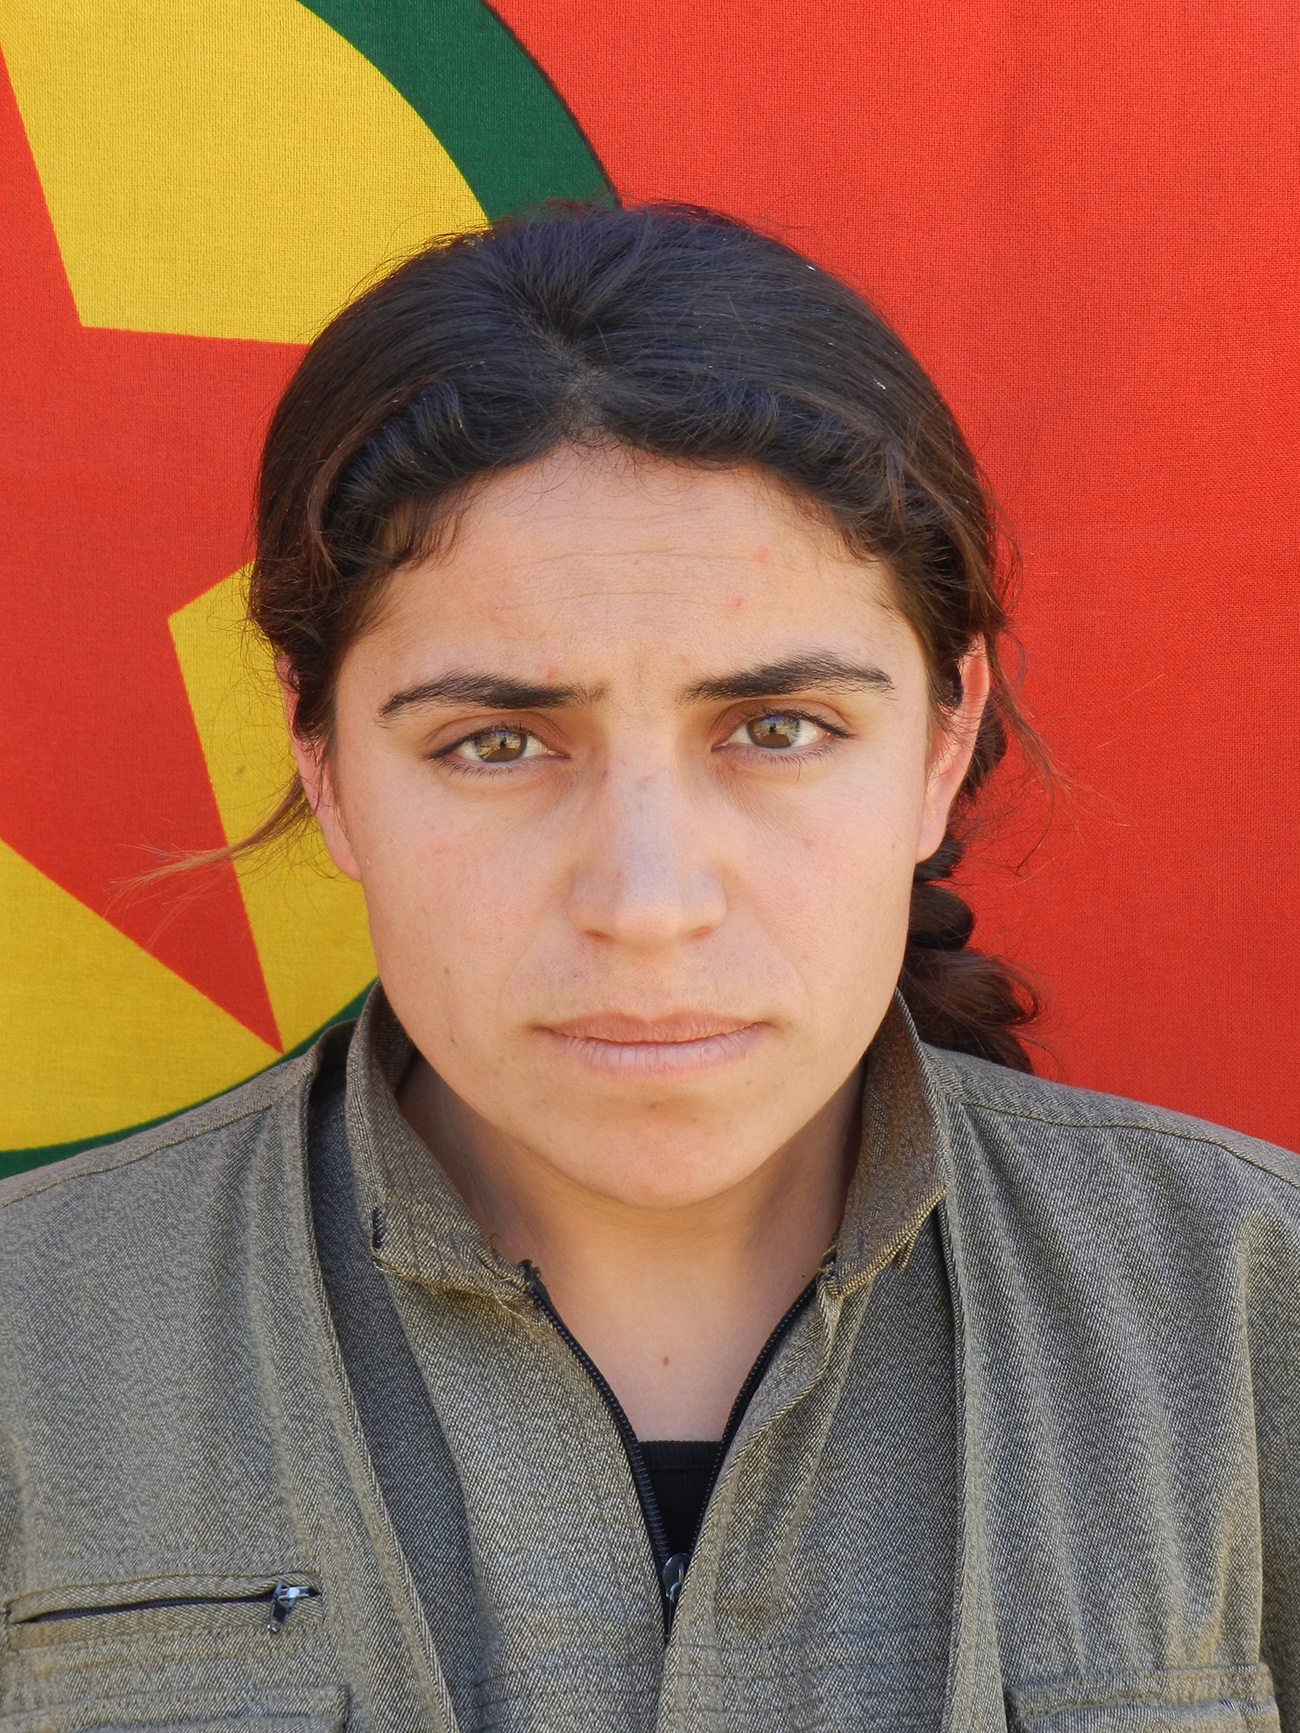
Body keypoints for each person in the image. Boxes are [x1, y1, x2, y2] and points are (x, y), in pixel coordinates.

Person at [1, 204, 1296, 1733]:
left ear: (945, 743)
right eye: (498, 742)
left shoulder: (1248, 1313)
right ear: (324, 761)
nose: (648, 902)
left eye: (779, 729)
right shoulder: (32, 1348)